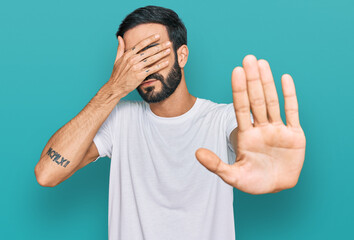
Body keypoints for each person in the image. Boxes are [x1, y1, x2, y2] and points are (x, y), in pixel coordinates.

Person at [34, 5, 306, 240]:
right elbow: (47, 173)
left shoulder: (223, 118)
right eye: (134, 57)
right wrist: (114, 88)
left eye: (153, 52)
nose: (146, 67)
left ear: (182, 55)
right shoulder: (119, 120)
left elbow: (242, 138)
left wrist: (261, 155)